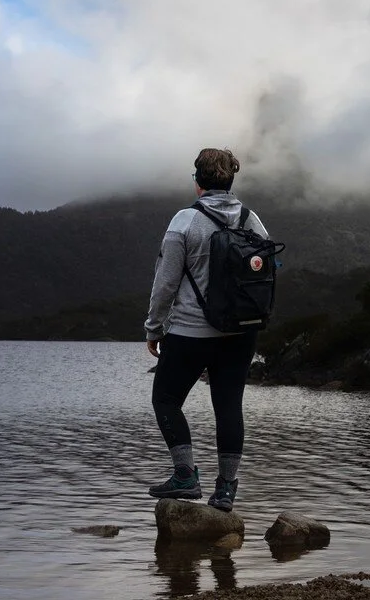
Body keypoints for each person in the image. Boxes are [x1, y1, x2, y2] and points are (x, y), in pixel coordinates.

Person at [144, 147, 269, 512]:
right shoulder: (251, 219)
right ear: (230, 180)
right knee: (228, 407)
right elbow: (266, 271)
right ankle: (226, 489)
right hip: (241, 333)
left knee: (166, 400)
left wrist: (154, 328)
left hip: (190, 332)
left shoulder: (184, 221)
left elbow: (165, 283)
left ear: (198, 180)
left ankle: (185, 476)